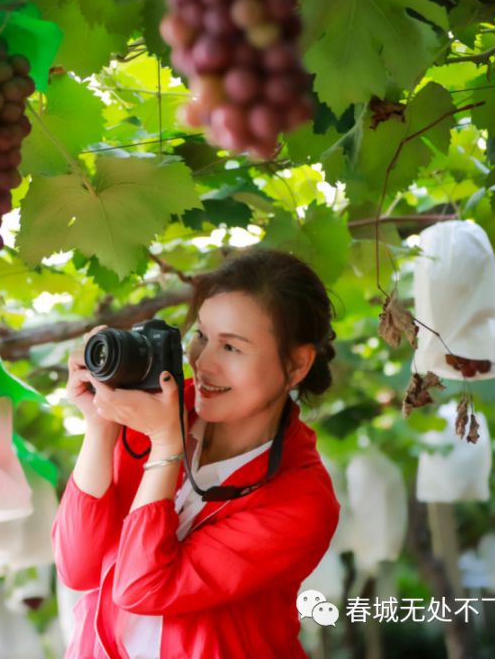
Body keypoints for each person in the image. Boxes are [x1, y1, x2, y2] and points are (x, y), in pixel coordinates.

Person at [52, 248, 341, 658]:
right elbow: (77, 567)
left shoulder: (301, 501)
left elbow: (143, 588)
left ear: (296, 364)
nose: (202, 363)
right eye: (202, 336)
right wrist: (100, 423)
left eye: (231, 348)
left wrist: (166, 446)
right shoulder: (157, 410)